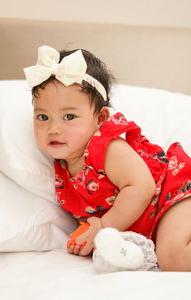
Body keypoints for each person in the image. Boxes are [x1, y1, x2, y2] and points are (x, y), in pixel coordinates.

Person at [24, 45, 191, 271]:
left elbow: (142, 187)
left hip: (174, 195)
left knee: (174, 256)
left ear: (100, 118)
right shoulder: (63, 169)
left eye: (69, 116)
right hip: (155, 224)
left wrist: (103, 226)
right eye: (43, 117)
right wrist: (88, 236)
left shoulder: (106, 148)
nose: (54, 128)